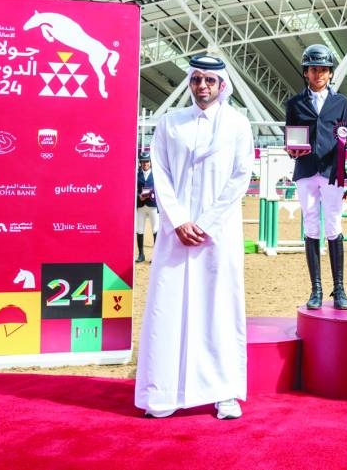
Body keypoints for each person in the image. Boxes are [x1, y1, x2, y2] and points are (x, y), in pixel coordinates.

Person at [134, 54, 254, 420]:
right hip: (175, 232)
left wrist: (206, 223)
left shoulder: (237, 125)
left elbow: (240, 176)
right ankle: (164, 390)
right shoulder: (170, 123)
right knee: (168, 306)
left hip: (218, 233)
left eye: (210, 80)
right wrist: (180, 220)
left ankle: (225, 391)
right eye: (197, 79)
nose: (203, 86)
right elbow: (163, 177)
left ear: (222, 85)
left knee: (219, 306)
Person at [284, 44, 347, 310]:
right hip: (305, 169)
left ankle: (340, 289)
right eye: (314, 70)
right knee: (311, 227)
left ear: (331, 73)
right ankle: (316, 289)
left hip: (332, 170)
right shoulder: (294, 103)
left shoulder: (341, 102)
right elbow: (289, 135)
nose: (319, 74)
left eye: (323, 70)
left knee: (334, 225)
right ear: (306, 73)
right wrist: (290, 149)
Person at [135, 152, 158, 263]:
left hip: (153, 205)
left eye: (147, 161)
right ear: (141, 163)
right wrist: (138, 196)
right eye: (143, 162)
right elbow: (133, 189)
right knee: (139, 229)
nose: (145, 164)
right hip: (141, 205)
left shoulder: (156, 175)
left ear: (150, 163)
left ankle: (156, 256)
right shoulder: (137, 175)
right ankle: (141, 254)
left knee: (155, 229)